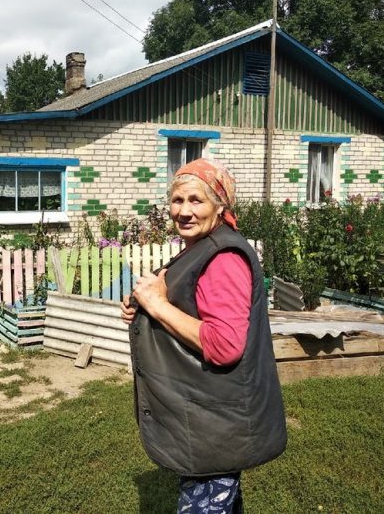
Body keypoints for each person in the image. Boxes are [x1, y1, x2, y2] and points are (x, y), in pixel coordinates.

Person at [121, 158, 287, 513]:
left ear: (220, 205)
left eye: (196, 200)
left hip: (214, 423)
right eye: (177, 200)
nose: (183, 211)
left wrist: (159, 305)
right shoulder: (202, 247)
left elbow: (225, 345)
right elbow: (190, 303)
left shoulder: (223, 257)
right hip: (209, 418)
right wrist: (145, 305)